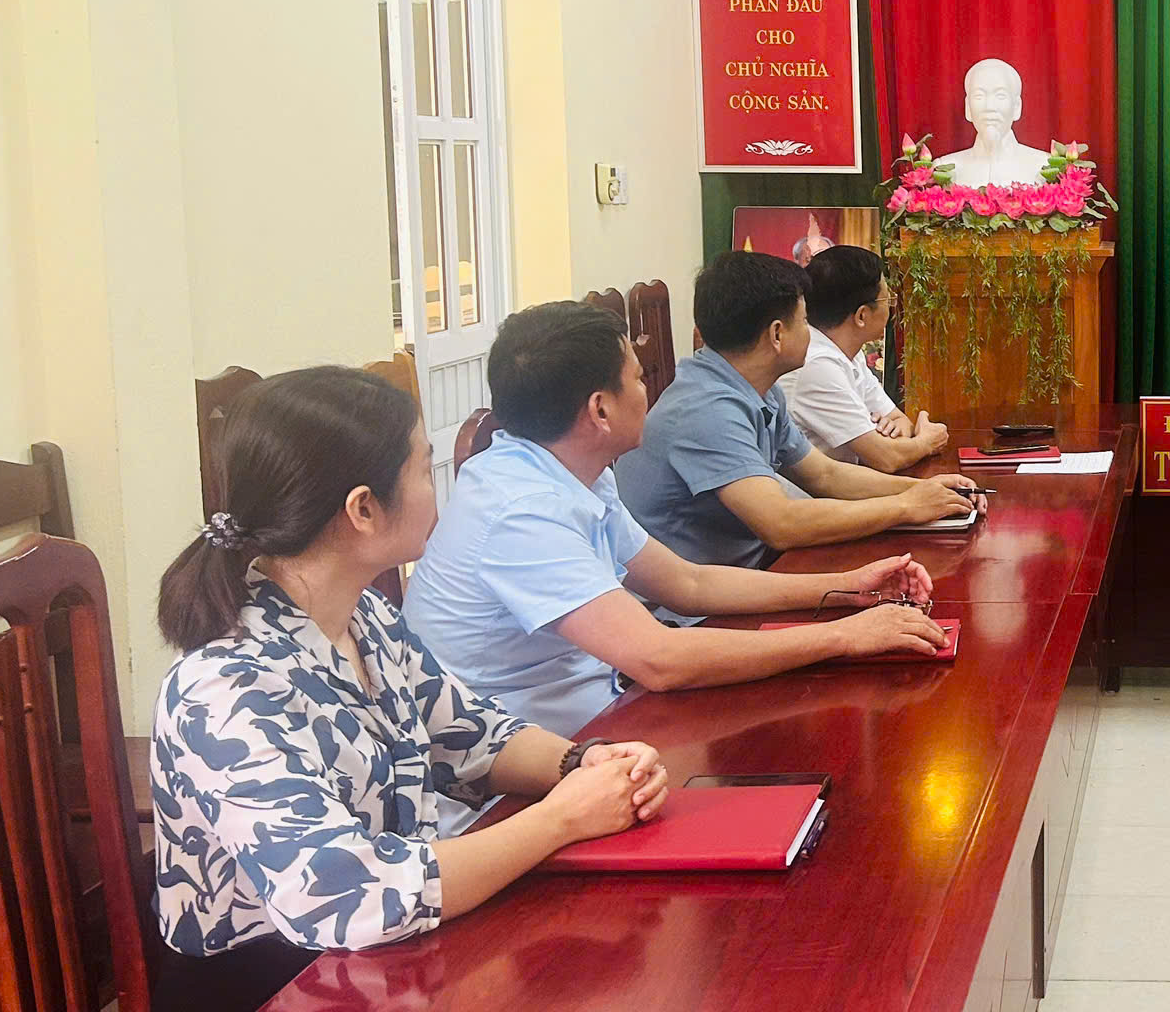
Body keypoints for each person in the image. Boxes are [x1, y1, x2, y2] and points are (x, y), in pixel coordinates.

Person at [150, 366, 673, 1012]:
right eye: (425, 469)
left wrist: (585, 765)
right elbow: (350, 896)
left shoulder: (361, 616)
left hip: (381, 986)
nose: (439, 489)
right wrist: (561, 820)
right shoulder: (223, 686)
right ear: (363, 509)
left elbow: (470, 734)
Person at [404, 299, 946, 752]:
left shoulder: (575, 471)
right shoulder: (521, 510)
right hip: (532, 769)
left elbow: (687, 583)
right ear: (599, 410)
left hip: (605, 720)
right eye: (638, 379)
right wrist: (843, 637)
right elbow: (659, 659)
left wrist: (846, 588)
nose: (649, 393)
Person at [615, 250, 978, 568]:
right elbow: (782, 523)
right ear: (777, 334)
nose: (811, 333)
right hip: (691, 608)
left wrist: (921, 490)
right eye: (804, 322)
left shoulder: (759, 389)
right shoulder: (706, 409)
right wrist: (905, 507)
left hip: (750, 571)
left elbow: (825, 476)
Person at [779, 244, 947, 473]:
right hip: (814, 493)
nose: (892, 308)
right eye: (888, 300)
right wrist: (926, 442)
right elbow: (886, 458)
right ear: (861, 316)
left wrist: (895, 434)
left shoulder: (848, 351)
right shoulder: (816, 364)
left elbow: (900, 421)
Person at [942, 57, 1051, 188]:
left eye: (1000, 96)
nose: (989, 107)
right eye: (979, 96)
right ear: (968, 107)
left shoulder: (1045, 168)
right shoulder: (944, 171)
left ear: (1016, 106)